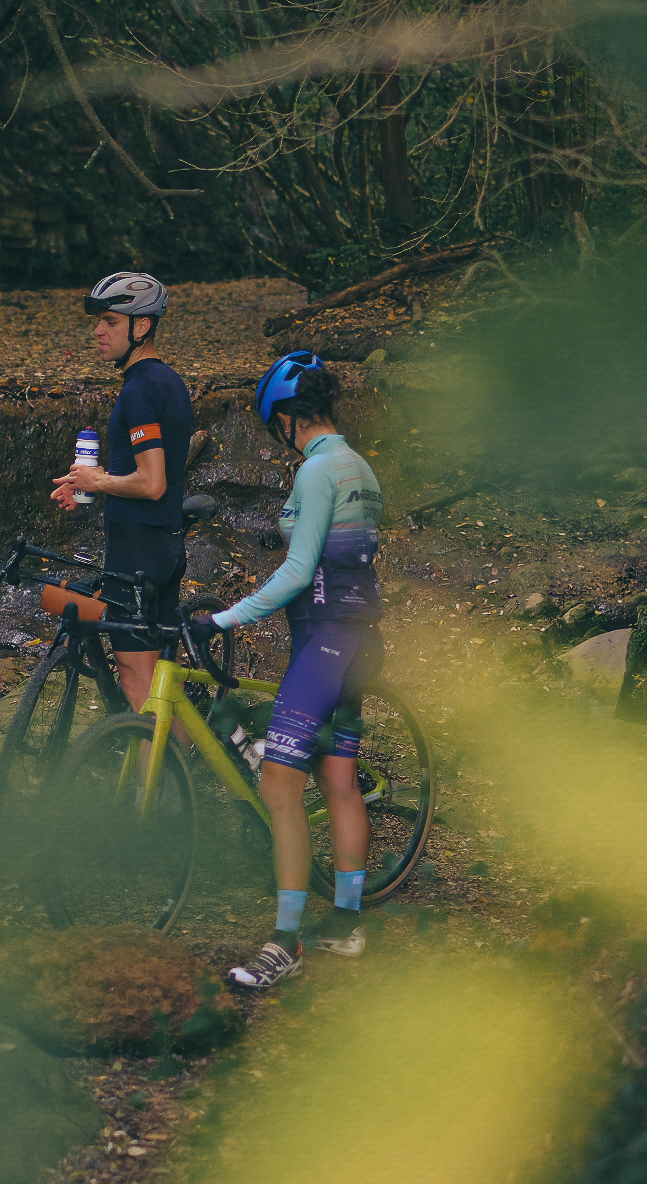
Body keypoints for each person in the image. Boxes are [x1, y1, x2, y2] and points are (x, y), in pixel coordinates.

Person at [191, 352, 384, 988]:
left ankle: (285, 944)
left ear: (285, 418)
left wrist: (224, 619)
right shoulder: (359, 467)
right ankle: (347, 925)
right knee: (340, 783)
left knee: (280, 789)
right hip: (361, 639)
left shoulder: (315, 471)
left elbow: (301, 572)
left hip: (324, 639)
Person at [50, 272, 194, 714]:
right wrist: (89, 485)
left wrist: (97, 482)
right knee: (162, 685)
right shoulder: (168, 382)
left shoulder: (138, 391)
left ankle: (151, 786)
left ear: (142, 326)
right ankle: (185, 773)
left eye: (110, 321)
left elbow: (152, 483)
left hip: (136, 555)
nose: (98, 331)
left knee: (138, 682)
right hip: (163, 548)